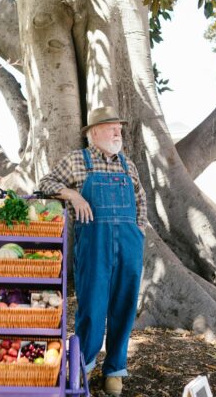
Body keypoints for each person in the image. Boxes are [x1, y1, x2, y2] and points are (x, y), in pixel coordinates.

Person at [39, 106, 147, 396]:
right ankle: (83, 365)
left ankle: (114, 370)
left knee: (124, 307)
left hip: (129, 245)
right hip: (94, 245)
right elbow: (45, 184)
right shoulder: (78, 161)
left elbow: (141, 201)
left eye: (119, 128)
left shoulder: (128, 166)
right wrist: (73, 195)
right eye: (111, 127)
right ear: (93, 133)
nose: (117, 132)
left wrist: (139, 231)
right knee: (92, 306)